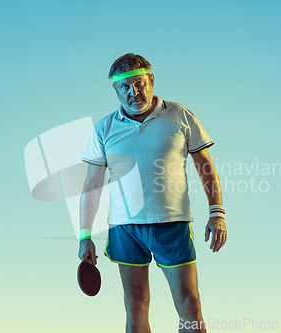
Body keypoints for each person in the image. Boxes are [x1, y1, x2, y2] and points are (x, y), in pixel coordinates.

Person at [78, 53, 227, 333]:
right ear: (116, 90)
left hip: (172, 223)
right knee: (136, 305)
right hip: (125, 228)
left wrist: (216, 213)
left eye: (139, 83)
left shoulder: (180, 115)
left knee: (190, 305)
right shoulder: (104, 129)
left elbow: (205, 166)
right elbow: (91, 186)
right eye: (125, 87)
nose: (134, 92)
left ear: (151, 80)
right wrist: (86, 236)